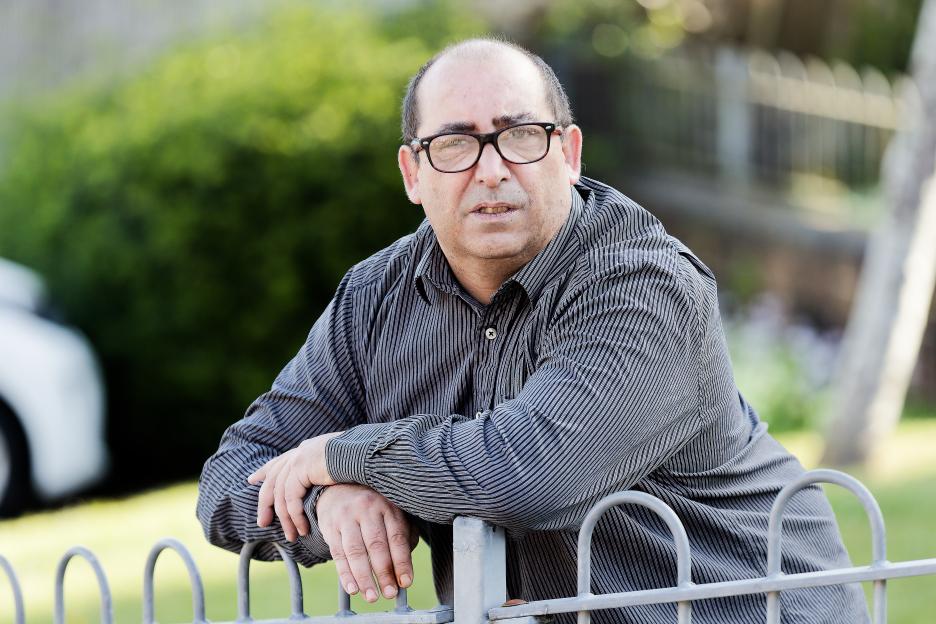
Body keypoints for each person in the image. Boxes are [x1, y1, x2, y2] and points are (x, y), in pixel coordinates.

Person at [197, 38, 869, 622]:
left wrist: (347, 453)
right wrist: (330, 498)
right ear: (413, 173)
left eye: (520, 136)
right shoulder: (376, 301)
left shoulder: (642, 284)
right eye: (455, 144)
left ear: (568, 152)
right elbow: (231, 477)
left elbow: (530, 471)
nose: (492, 170)